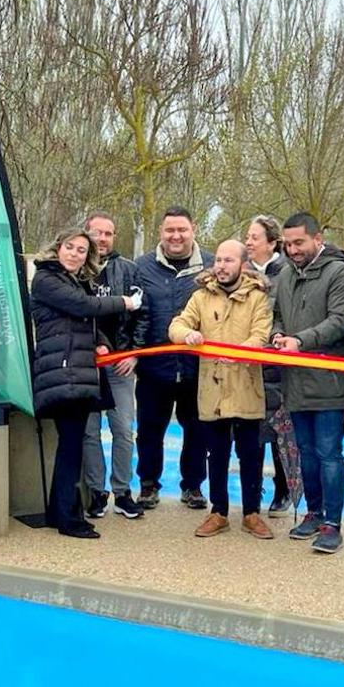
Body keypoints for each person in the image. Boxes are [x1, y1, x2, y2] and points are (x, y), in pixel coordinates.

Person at [31, 227, 141, 539]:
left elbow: (84, 321)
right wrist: (125, 302)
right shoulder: (46, 279)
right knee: (71, 446)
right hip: (62, 372)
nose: (75, 254)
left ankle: (59, 512)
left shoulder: (76, 281)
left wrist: (102, 342)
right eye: (70, 247)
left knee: (72, 444)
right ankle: (68, 519)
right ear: (57, 247)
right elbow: (84, 307)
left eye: (81, 250)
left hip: (77, 371)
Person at [169, 240, 273, 538]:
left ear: (243, 264)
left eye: (229, 260)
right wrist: (187, 333)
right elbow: (176, 325)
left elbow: (261, 335)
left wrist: (241, 351)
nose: (221, 266)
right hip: (212, 389)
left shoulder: (257, 298)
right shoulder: (201, 296)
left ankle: (252, 513)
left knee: (251, 453)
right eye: (219, 260)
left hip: (246, 386)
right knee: (216, 453)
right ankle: (219, 512)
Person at [270, 212, 344, 553]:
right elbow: (277, 314)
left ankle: (332, 524)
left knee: (329, 453)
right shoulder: (286, 274)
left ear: (317, 239)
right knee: (305, 452)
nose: (292, 250)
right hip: (296, 382)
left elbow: (341, 320)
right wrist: (278, 333)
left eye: (299, 243)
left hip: (331, 382)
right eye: (288, 244)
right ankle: (313, 512)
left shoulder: (340, 273)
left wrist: (301, 341)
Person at [133, 207, 213, 510]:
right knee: (150, 431)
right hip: (154, 370)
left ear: (193, 229)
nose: (176, 236)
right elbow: (134, 316)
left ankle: (192, 486)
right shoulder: (140, 267)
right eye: (170, 230)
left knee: (197, 431)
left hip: (196, 368)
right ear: (160, 232)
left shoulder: (210, 265)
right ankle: (148, 485)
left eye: (182, 229)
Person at [80, 212, 143, 520]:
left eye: (108, 233)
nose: (102, 239)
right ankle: (95, 492)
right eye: (97, 233)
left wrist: (134, 353)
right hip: (86, 364)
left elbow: (142, 314)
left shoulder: (128, 270)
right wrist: (91, 344)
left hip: (120, 364)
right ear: (86, 234)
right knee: (90, 432)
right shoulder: (75, 271)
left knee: (123, 430)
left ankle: (122, 491)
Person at [244, 214, 293, 516]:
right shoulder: (243, 271)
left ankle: (283, 487)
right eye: (247, 237)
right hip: (249, 364)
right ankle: (252, 489)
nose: (248, 242)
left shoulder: (287, 271)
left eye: (255, 237)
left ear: (272, 242)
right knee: (250, 430)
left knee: (279, 432)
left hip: (278, 363)